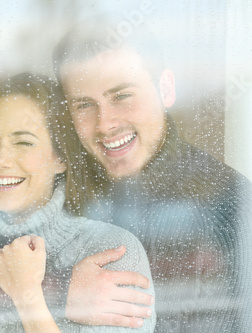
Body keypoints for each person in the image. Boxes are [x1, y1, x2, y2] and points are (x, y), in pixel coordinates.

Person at [0, 73, 156, 332]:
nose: (0, 160)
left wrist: (29, 298)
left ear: (60, 158)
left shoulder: (108, 251)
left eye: (23, 142)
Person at [52, 13, 252, 333]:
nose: (105, 124)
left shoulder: (228, 205)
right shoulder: (53, 190)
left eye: (122, 96)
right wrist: (62, 296)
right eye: (84, 105)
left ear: (166, 89)